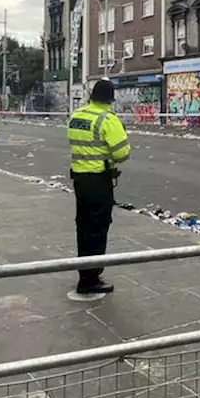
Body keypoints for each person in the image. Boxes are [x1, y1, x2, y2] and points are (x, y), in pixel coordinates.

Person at [67, 78, 131, 295]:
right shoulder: (108, 119)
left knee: (83, 226)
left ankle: (84, 270)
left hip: (79, 179)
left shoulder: (77, 116)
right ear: (110, 99)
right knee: (97, 227)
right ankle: (90, 279)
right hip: (98, 180)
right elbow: (122, 153)